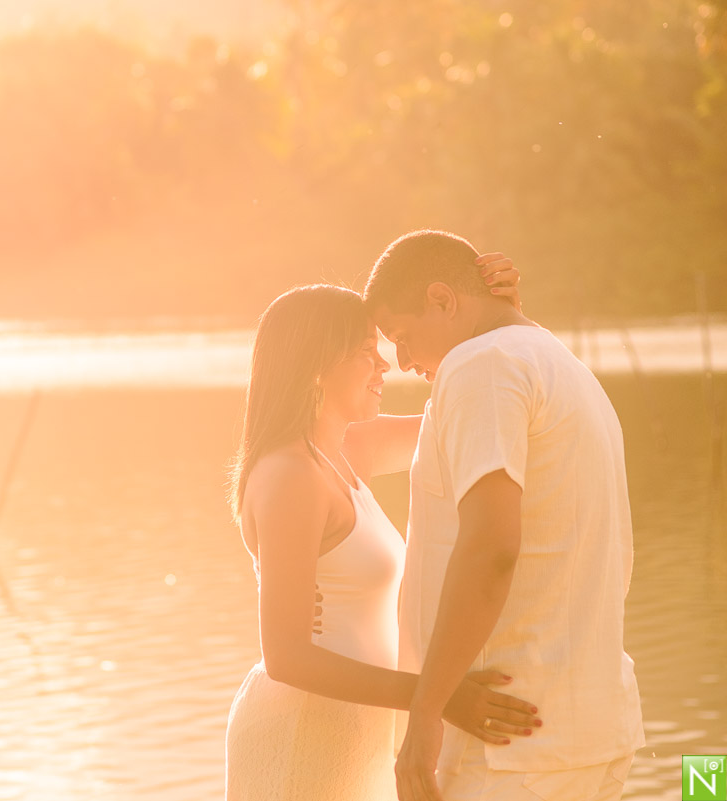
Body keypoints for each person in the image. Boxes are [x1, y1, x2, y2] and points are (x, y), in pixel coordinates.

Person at [224, 257, 541, 801]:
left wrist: (504, 319)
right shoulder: (288, 476)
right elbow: (286, 655)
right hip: (303, 731)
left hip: (355, 728)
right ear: (317, 367)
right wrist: (437, 699)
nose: (384, 368)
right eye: (366, 354)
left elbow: (487, 406)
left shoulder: (345, 451)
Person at [363, 230, 644, 801]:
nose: (403, 361)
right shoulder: (560, 364)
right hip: (583, 733)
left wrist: (426, 712)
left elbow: (491, 549)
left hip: (511, 749)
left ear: (443, 300)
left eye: (401, 337)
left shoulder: (481, 364)